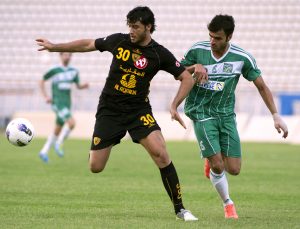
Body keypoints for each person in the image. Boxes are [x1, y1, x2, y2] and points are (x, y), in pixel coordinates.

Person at [36, 6, 198, 221]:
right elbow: (88, 44)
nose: (131, 30)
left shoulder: (159, 54)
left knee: (161, 153)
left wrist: (175, 105)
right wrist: (55, 47)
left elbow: (186, 78)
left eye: (136, 26)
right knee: (96, 167)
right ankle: (97, 147)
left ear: (148, 27)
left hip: (138, 111)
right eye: (129, 25)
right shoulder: (118, 41)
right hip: (110, 111)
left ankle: (180, 209)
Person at [179, 14, 288, 219]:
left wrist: (276, 116)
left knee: (234, 169)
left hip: (226, 115)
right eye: (210, 36)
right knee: (219, 166)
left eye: (218, 38)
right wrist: (194, 67)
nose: (212, 41)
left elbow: (262, 86)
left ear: (229, 36)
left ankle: (211, 162)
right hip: (201, 112)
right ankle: (228, 204)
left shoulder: (242, 58)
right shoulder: (197, 50)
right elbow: (176, 70)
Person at [39, 52, 89, 163]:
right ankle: (59, 143)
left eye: (69, 55)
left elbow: (78, 85)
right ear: (60, 56)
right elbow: (41, 80)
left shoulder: (73, 71)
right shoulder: (54, 70)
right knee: (72, 123)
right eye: (65, 55)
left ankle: (44, 151)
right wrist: (46, 96)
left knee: (57, 129)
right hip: (57, 102)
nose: (67, 57)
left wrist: (83, 86)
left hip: (67, 104)